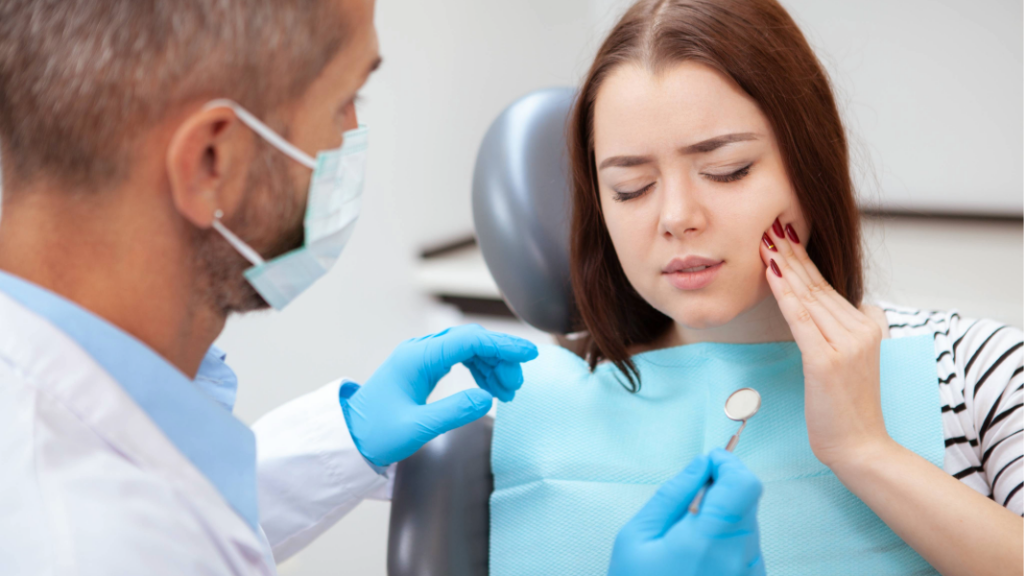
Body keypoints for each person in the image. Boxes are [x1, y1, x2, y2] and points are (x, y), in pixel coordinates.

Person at [0, 0, 764, 574]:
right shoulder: (88, 539)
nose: (351, 137)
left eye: (728, 169)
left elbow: (183, 498)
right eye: (342, 105)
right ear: (212, 164)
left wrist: (345, 439)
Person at [492, 0, 1023, 574]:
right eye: (631, 187)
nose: (676, 216)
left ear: (809, 166)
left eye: (728, 170)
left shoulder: (977, 372)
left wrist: (867, 450)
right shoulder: (528, 416)